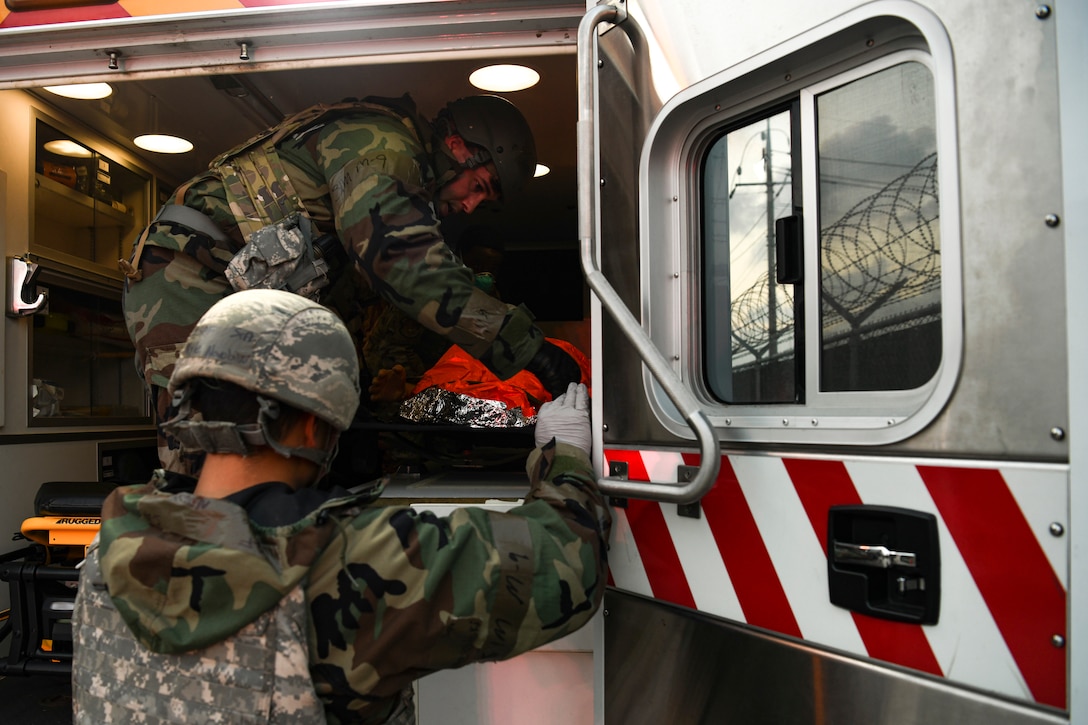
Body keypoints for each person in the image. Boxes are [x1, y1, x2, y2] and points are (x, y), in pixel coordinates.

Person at [72, 289, 611, 724]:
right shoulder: (356, 563)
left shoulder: (107, 550)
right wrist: (564, 455)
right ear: (315, 422)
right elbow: (565, 562)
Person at [121, 93, 583, 475]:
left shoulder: (402, 175)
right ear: (459, 146)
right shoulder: (383, 145)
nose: (470, 206)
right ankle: (182, 566)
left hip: (232, 291)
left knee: (275, 447)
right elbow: (403, 263)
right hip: (187, 279)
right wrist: (528, 350)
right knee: (209, 454)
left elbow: (357, 289)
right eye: (478, 186)